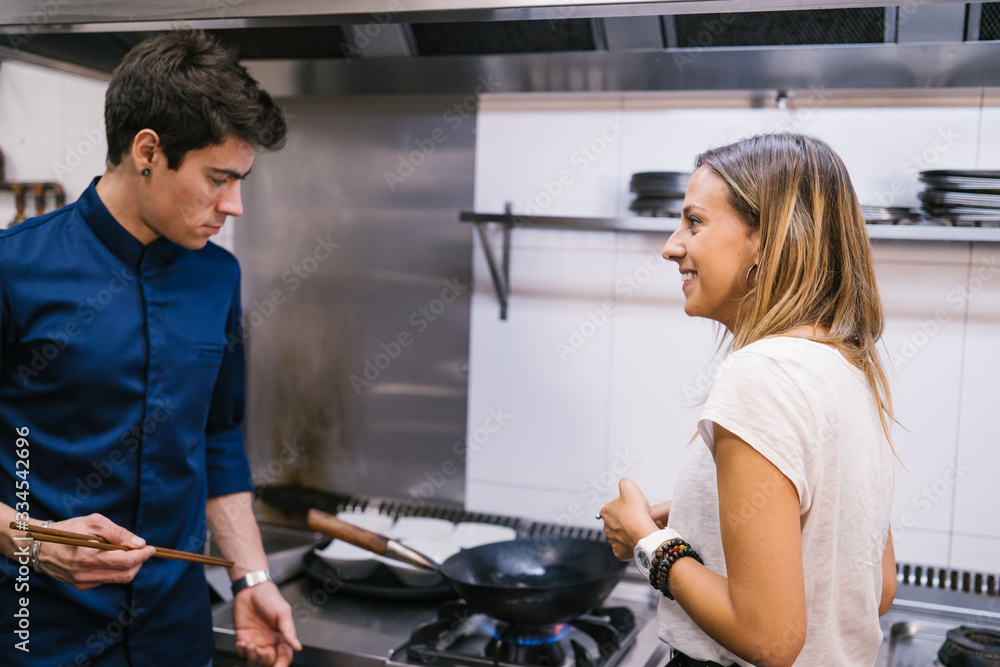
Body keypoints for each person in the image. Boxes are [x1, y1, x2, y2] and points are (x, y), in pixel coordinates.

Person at [0, 30, 302, 666]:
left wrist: (251, 578)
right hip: (35, 633)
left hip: (175, 633)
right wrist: (28, 538)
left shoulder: (217, 277)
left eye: (241, 180)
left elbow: (217, 437)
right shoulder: (14, 269)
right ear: (148, 151)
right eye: (218, 178)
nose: (235, 205)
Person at [600, 133, 897, 667]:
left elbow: (768, 639)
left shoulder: (761, 374)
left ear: (766, 240)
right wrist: (701, 512)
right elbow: (877, 587)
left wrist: (646, 539)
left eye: (694, 222)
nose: (671, 246)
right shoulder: (846, 364)